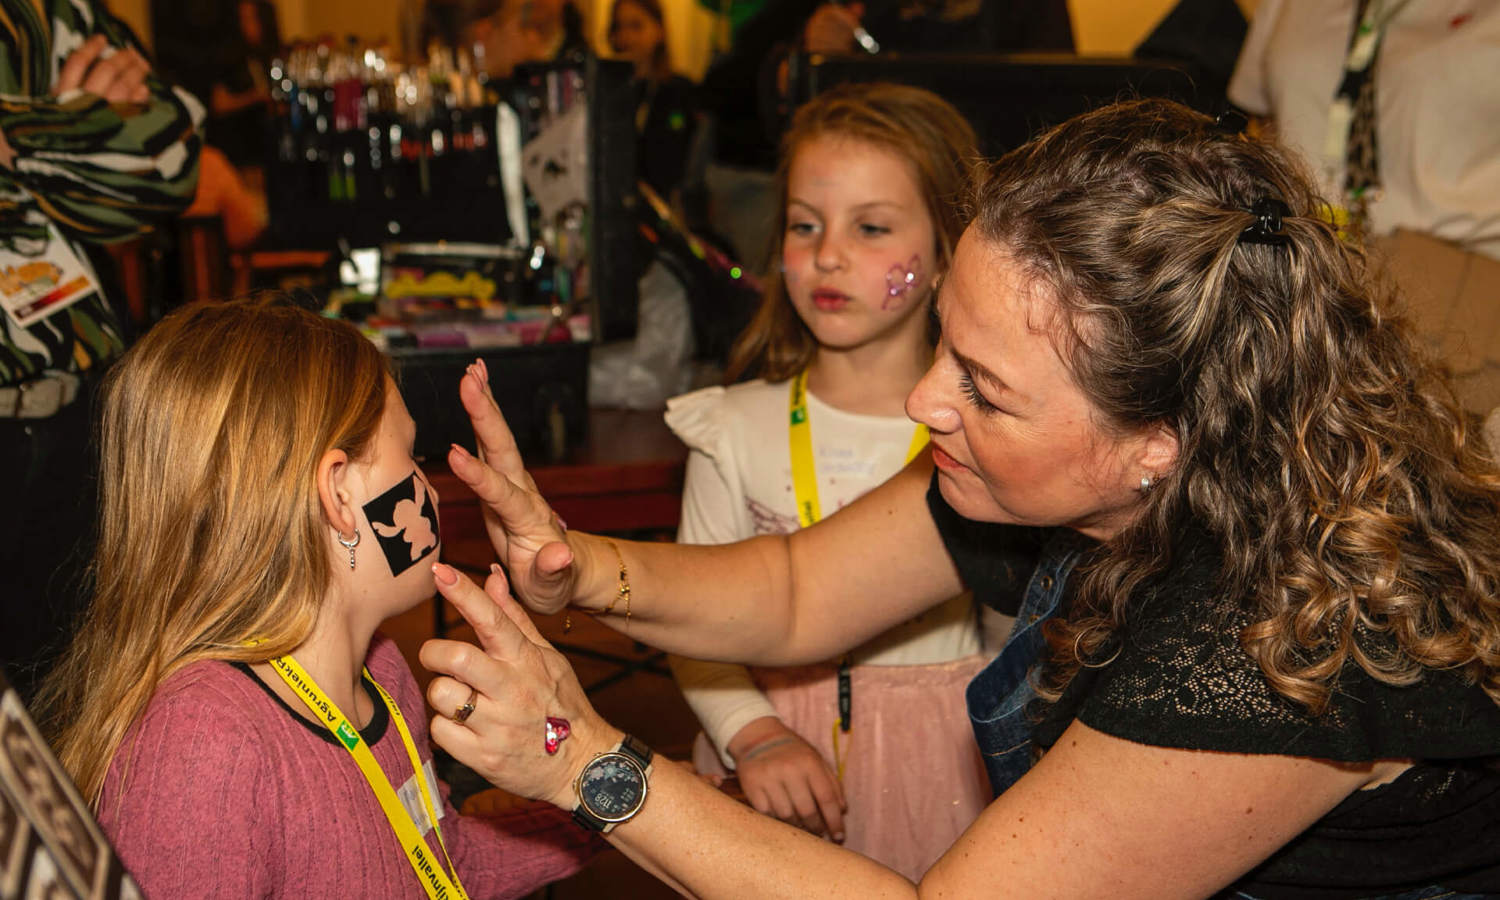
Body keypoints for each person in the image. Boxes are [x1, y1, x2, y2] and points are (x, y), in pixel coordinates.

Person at [423, 96, 1500, 897]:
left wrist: (579, 758)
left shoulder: (1270, 647)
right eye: (943, 344)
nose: (926, 400)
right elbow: (797, 591)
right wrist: (573, 562)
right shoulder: (1079, 480)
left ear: (1158, 442)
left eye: (985, 387)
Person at [35, 297, 599, 898]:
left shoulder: (381, 672)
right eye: (412, 456)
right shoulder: (200, 746)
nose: (431, 489)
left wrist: (616, 801)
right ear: (339, 494)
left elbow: (442, 861)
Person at [662, 82, 992, 880]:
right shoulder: (729, 431)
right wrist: (753, 735)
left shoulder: (982, 435)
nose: (828, 255)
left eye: (871, 228)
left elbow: (1022, 639)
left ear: (949, 249)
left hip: (948, 783)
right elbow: (695, 629)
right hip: (766, 783)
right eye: (805, 225)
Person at [0, 0, 203, 703]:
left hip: (84, 416)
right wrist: (67, 129)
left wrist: (15, 138)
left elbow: (170, 156)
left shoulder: (47, 10)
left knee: (78, 704)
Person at [608, 0, 699, 204]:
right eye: (619, 27)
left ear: (659, 31)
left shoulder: (678, 91)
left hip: (663, 205)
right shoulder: (608, 93)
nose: (626, 37)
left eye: (636, 26)